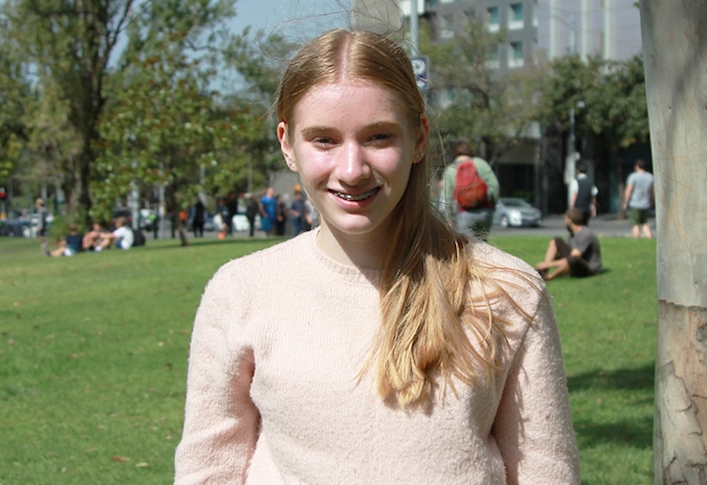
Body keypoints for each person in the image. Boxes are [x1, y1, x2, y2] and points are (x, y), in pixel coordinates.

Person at [175, 29, 579, 484]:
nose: (351, 170)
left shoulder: (507, 289)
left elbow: (545, 471)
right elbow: (210, 469)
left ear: (419, 137)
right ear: (288, 144)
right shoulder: (240, 291)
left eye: (379, 137)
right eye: (324, 140)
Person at [441, 141, 500, 240]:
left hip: (464, 213)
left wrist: (448, 218)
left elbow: (447, 197)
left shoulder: (450, 170)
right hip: (485, 211)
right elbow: (495, 186)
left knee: (468, 249)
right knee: (483, 246)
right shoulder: (481, 164)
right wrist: (491, 205)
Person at [535, 208, 602, 281]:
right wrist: (550, 262)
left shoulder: (586, 234)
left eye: (565, 219)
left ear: (570, 220)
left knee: (572, 259)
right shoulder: (572, 234)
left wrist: (549, 264)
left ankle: (549, 277)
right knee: (556, 240)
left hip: (589, 268)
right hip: (574, 261)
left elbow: (574, 257)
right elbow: (569, 254)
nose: (565, 222)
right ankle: (543, 272)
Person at [622, 159, 655, 239]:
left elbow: (629, 190)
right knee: (644, 222)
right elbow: (651, 191)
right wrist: (651, 202)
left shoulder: (633, 176)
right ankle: (649, 237)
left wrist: (625, 202)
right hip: (645, 203)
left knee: (635, 223)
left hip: (635, 203)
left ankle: (636, 238)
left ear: (637, 166)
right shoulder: (650, 177)